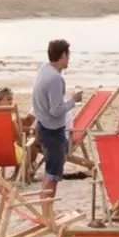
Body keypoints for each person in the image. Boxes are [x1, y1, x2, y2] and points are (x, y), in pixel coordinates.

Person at [27, 38, 80, 205]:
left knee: (51, 171)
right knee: (53, 175)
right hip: (52, 131)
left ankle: (45, 211)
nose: (69, 58)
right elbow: (56, 110)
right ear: (62, 55)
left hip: (43, 126)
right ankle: (46, 212)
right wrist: (74, 101)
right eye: (68, 55)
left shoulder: (44, 69)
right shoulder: (55, 79)